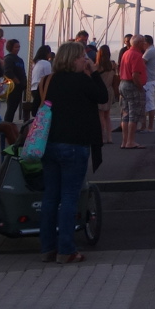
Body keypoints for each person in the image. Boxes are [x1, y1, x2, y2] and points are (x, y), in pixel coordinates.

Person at [34, 42, 108, 263]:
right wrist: (94, 73)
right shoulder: (82, 81)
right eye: (82, 57)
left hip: (49, 144)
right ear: (73, 59)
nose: (85, 60)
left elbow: (37, 107)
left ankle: (47, 247)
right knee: (69, 197)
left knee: (50, 196)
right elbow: (103, 97)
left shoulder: (48, 81)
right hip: (74, 144)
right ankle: (66, 249)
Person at [117, 37, 146, 149]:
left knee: (125, 113)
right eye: (143, 42)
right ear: (138, 43)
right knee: (134, 114)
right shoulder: (136, 55)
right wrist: (140, 87)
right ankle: (130, 141)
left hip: (123, 84)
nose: (144, 44)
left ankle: (124, 141)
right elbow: (135, 74)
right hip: (132, 85)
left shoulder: (126, 53)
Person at [93, 46, 118, 140]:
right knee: (107, 115)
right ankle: (109, 137)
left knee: (101, 115)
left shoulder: (97, 66)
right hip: (110, 90)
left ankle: (102, 136)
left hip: (101, 90)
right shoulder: (113, 64)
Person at [2, 39, 27, 123]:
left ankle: (9, 123)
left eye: (18, 47)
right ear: (11, 48)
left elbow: (23, 72)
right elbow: (8, 72)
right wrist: (17, 82)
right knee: (11, 108)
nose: (18, 49)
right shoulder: (8, 59)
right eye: (16, 47)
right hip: (12, 88)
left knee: (14, 107)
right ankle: (7, 124)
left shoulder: (20, 60)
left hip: (20, 87)